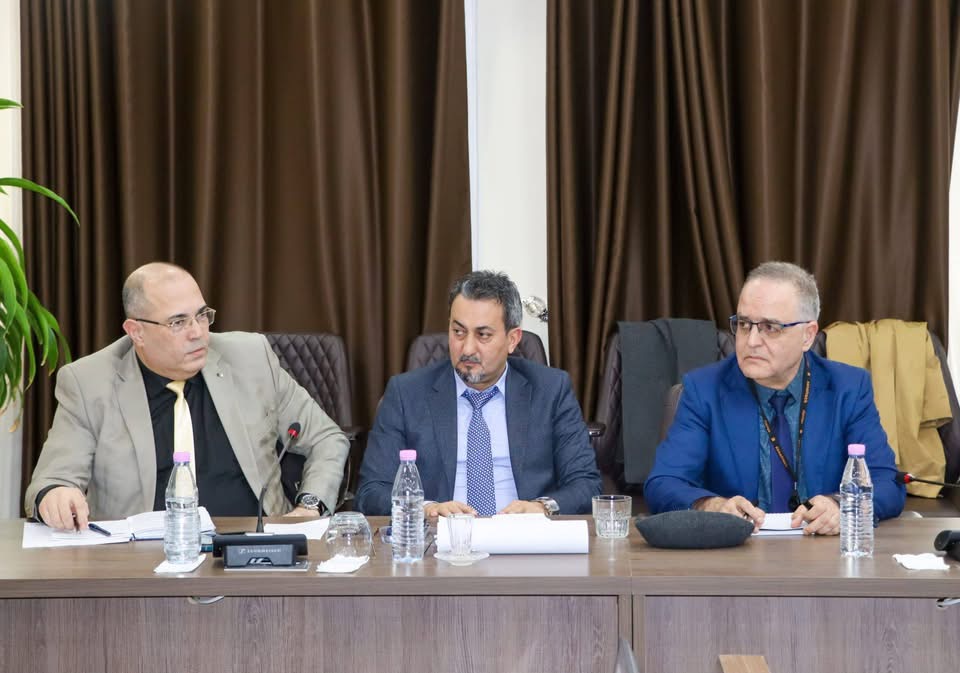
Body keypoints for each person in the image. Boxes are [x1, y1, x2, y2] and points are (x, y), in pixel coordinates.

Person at [25, 262, 349, 529]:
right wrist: (55, 495)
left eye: (202, 315)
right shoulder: (89, 383)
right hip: (141, 560)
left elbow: (326, 438)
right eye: (178, 322)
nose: (197, 332)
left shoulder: (252, 358)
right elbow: (50, 481)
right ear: (136, 332)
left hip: (253, 549)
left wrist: (310, 506)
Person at [644, 261, 905, 533]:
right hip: (737, 549)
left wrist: (840, 505)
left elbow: (887, 482)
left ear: (807, 336)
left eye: (770, 327)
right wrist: (712, 506)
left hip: (822, 548)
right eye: (744, 324)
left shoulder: (847, 388)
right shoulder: (704, 390)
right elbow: (664, 483)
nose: (751, 341)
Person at [355, 270, 601, 517]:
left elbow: (586, 484)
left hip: (522, 535)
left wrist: (542, 508)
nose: (467, 348)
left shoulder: (551, 390)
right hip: (442, 536)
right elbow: (371, 491)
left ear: (512, 339)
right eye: (458, 332)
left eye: (483, 335)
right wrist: (426, 509)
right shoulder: (406, 394)